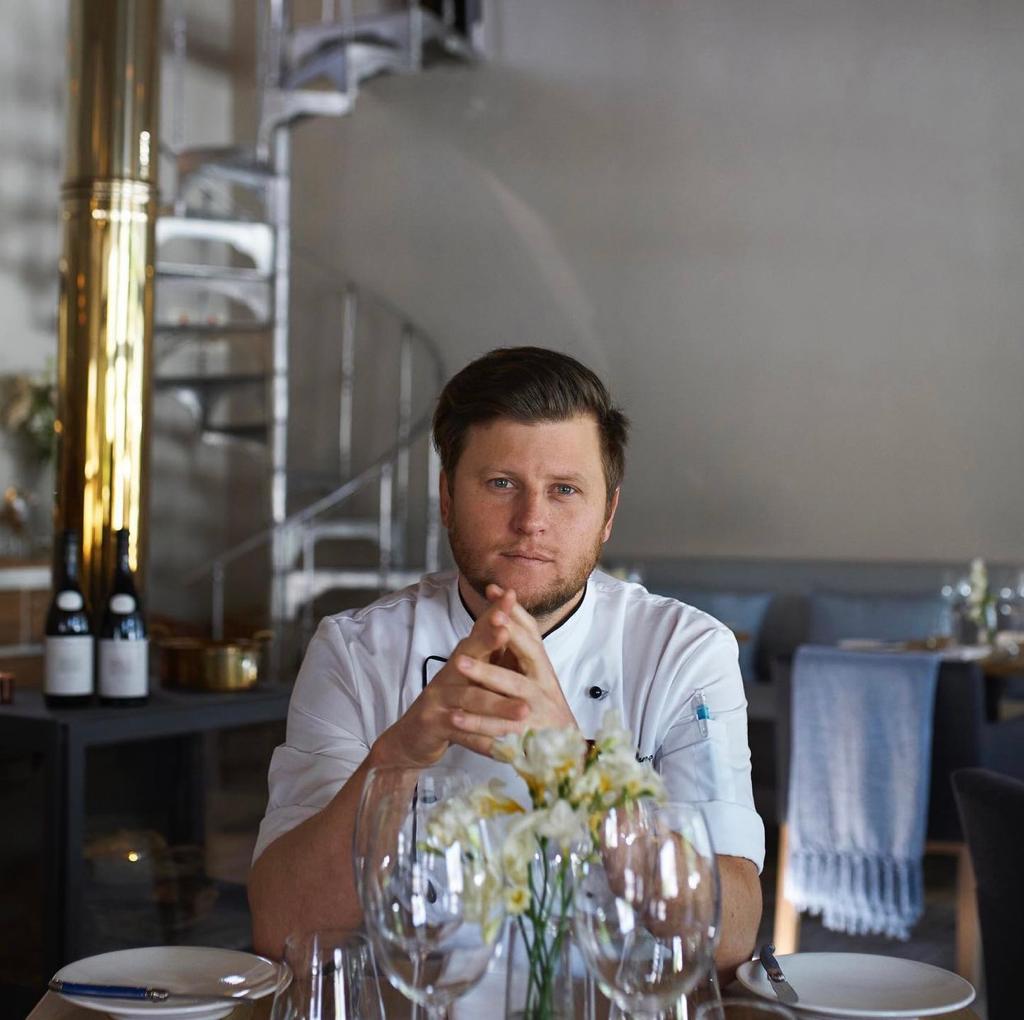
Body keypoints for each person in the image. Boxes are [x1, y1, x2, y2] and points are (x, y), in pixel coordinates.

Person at [248, 346, 764, 977]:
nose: (531, 522)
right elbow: (282, 927)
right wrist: (401, 754)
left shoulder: (683, 651)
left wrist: (577, 766)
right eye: (501, 484)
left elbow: (732, 930)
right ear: (446, 497)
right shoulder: (354, 652)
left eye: (565, 490)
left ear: (608, 514)